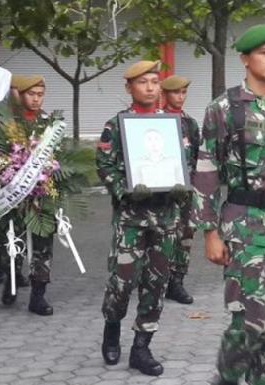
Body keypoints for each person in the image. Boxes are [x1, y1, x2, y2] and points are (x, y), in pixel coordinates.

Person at [190, 24, 265, 385]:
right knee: (250, 322)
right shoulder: (224, 109)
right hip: (245, 229)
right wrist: (210, 232)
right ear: (245, 58)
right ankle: (225, 380)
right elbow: (206, 171)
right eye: (264, 53)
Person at [97, 60, 183, 376]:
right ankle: (111, 328)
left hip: (166, 218)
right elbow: (104, 167)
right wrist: (126, 189)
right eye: (143, 82)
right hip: (131, 219)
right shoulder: (116, 125)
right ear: (129, 87)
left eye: (154, 81)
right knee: (122, 281)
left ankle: (141, 347)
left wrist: (182, 186)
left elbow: (182, 163)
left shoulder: (173, 125)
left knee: (156, 283)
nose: (150, 87)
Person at [0, 74, 54, 315]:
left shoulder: (49, 122)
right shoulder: (8, 122)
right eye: (31, 94)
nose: (36, 99)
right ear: (18, 95)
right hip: (14, 194)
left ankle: (38, 295)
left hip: (42, 193)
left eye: (40, 95)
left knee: (43, 243)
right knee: (13, 240)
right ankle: (11, 278)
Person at [160, 75, 200, 304]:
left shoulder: (190, 124)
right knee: (162, 236)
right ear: (165, 95)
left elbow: (197, 157)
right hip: (162, 192)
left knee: (185, 236)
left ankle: (177, 282)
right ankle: (158, 279)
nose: (180, 97)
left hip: (186, 191)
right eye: (176, 93)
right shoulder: (157, 121)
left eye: (184, 93)